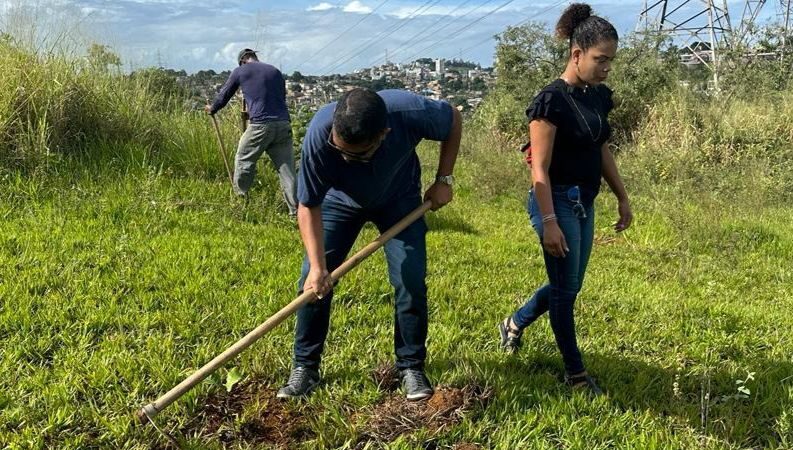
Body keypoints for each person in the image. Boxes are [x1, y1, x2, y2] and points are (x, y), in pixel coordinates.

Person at [277, 88, 462, 401]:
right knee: (311, 279)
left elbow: (454, 118)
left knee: (410, 280)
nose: (346, 158)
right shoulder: (319, 136)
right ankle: (305, 368)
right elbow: (308, 205)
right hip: (340, 201)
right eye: (341, 152)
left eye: (356, 154)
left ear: (383, 134)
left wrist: (444, 179)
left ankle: (410, 367)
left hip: (399, 200)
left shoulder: (409, 113)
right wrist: (320, 267)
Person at [498, 3, 633, 395]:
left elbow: (601, 149)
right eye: (600, 59)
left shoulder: (597, 96)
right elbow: (538, 168)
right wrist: (550, 221)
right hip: (554, 201)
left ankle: (514, 322)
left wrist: (622, 197)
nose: (607, 67)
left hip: (584, 203)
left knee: (569, 286)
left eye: (611, 60)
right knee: (565, 291)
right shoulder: (550, 101)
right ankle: (575, 374)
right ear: (577, 54)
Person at [206, 48, 298, 215]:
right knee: (287, 170)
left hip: (260, 126)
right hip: (283, 124)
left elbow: (224, 95)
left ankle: (240, 201)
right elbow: (277, 100)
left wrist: (213, 108)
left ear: (242, 60)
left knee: (244, 159)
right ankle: (296, 212)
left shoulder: (240, 71)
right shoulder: (275, 71)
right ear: (254, 57)